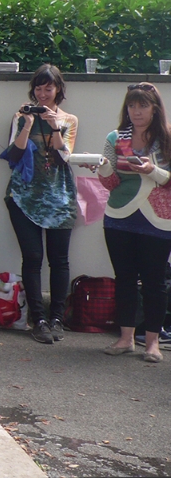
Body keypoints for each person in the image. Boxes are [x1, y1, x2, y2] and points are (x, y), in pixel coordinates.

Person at [2, 64, 78, 344]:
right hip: (23, 196)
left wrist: (54, 125)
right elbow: (13, 155)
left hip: (58, 197)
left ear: (59, 89)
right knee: (32, 258)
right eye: (38, 88)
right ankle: (38, 319)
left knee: (59, 260)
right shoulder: (21, 116)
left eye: (49, 88)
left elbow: (62, 158)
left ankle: (57, 318)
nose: (43, 94)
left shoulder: (69, 119)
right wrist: (29, 124)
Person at [98, 82, 171, 363]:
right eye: (132, 105)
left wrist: (152, 170)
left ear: (155, 108)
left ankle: (152, 342)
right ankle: (125, 338)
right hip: (119, 216)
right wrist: (102, 166)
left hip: (159, 220)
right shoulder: (116, 137)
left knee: (154, 282)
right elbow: (110, 182)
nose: (136, 111)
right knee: (125, 279)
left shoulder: (166, 138)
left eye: (142, 105)